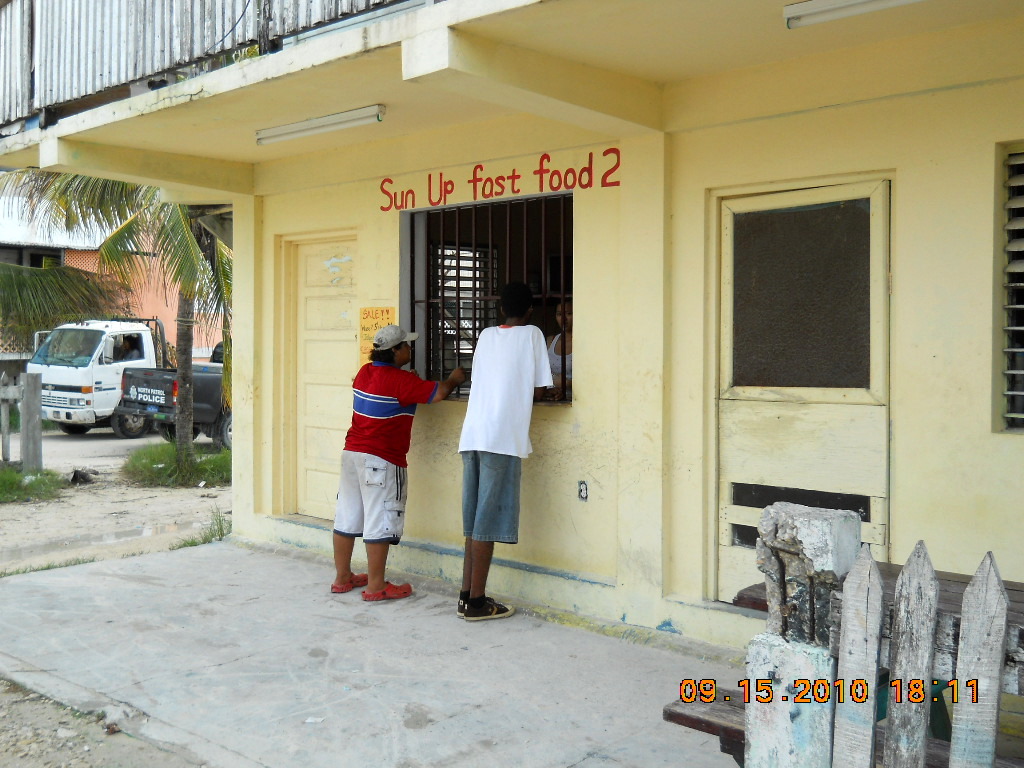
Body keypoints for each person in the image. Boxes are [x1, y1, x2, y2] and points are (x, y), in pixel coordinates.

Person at [333, 324, 466, 601]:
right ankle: (376, 586)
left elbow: (393, 395)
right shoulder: (401, 382)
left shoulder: (365, 372)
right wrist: (454, 379)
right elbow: (439, 393)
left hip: (351, 455)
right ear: (394, 351)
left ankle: (342, 577)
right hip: (381, 460)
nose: (409, 348)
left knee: (347, 515)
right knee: (380, 518)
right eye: (406, 345)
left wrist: (410, 384)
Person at [457, 282, 553, 621]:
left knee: (474, 523)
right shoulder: (533, 335)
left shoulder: (485, 335)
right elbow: (539, 390)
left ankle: (466, 595)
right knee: (487, 523)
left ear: (500, 309)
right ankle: (477, 603)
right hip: (502, 437)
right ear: (530, 310)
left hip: (472, 434)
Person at [545, 301, 572, 400]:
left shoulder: (583, 343)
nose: (563, 319)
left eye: (569, 313)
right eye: (559, 314)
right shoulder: (550, 341)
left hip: (574, 400)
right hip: (550, 399)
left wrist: (567, 383)